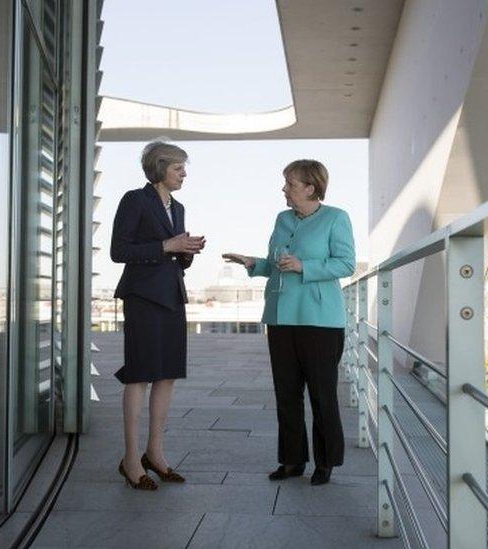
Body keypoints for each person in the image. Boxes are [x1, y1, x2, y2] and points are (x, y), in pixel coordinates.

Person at [223, 159, 354, 485]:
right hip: (281, 317)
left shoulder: (336, 218)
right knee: (287, 393)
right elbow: (277, 264)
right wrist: (255, 263)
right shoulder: (282, 219)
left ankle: (326, 463)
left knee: (322, 394)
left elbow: (346, 263)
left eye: (290, 184)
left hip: (320, 321)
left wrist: (304, 266)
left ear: (311, 187)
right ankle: (292, 460)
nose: (285, 189)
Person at [110, 141, 205, 490]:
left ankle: (156, 453)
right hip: (143, 297)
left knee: (167, 375)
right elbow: (119, 251)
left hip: (172, 296)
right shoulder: (135, 199)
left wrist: (187, 251)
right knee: (140, 375)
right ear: (160, 167)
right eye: (178, 167)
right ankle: (131, 459)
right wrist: (168, 246)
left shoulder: (177, 207)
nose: (184, 174)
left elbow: (173, 254)